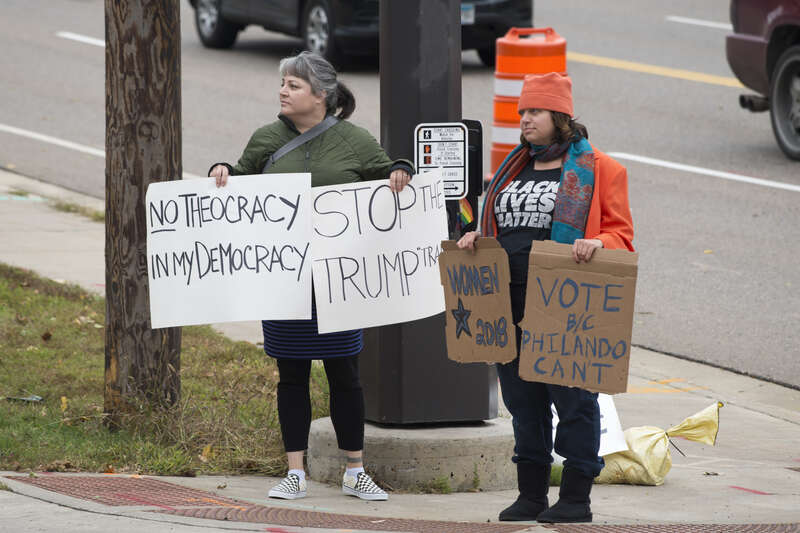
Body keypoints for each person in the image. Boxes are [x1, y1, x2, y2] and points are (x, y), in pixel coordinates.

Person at [209, 51, 413, 502]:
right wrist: (222, 172)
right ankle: (294, 472)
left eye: (294, 85)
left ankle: (355, 470)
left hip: (339, 282)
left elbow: (386, 173)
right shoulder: (267, 137)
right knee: (292, 374)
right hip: (285, 281)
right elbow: (240, 180)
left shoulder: (354, 141)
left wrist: (402, 169)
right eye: (283, 83)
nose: (283, 91)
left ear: (321, 96)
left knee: (345, 375)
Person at [457, 72, 634, 523]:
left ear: (559, 116)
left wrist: (600, 243)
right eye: (522, 112)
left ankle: (575, 499)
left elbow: (622, 235)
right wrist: (476, 236)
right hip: (506, 301)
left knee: (574, 401)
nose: (524, 120)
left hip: (563, 304)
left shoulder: (599, 168)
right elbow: (497, 223)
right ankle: (531, 496)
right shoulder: (510, 169)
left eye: (534, 111)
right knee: (523, 402)